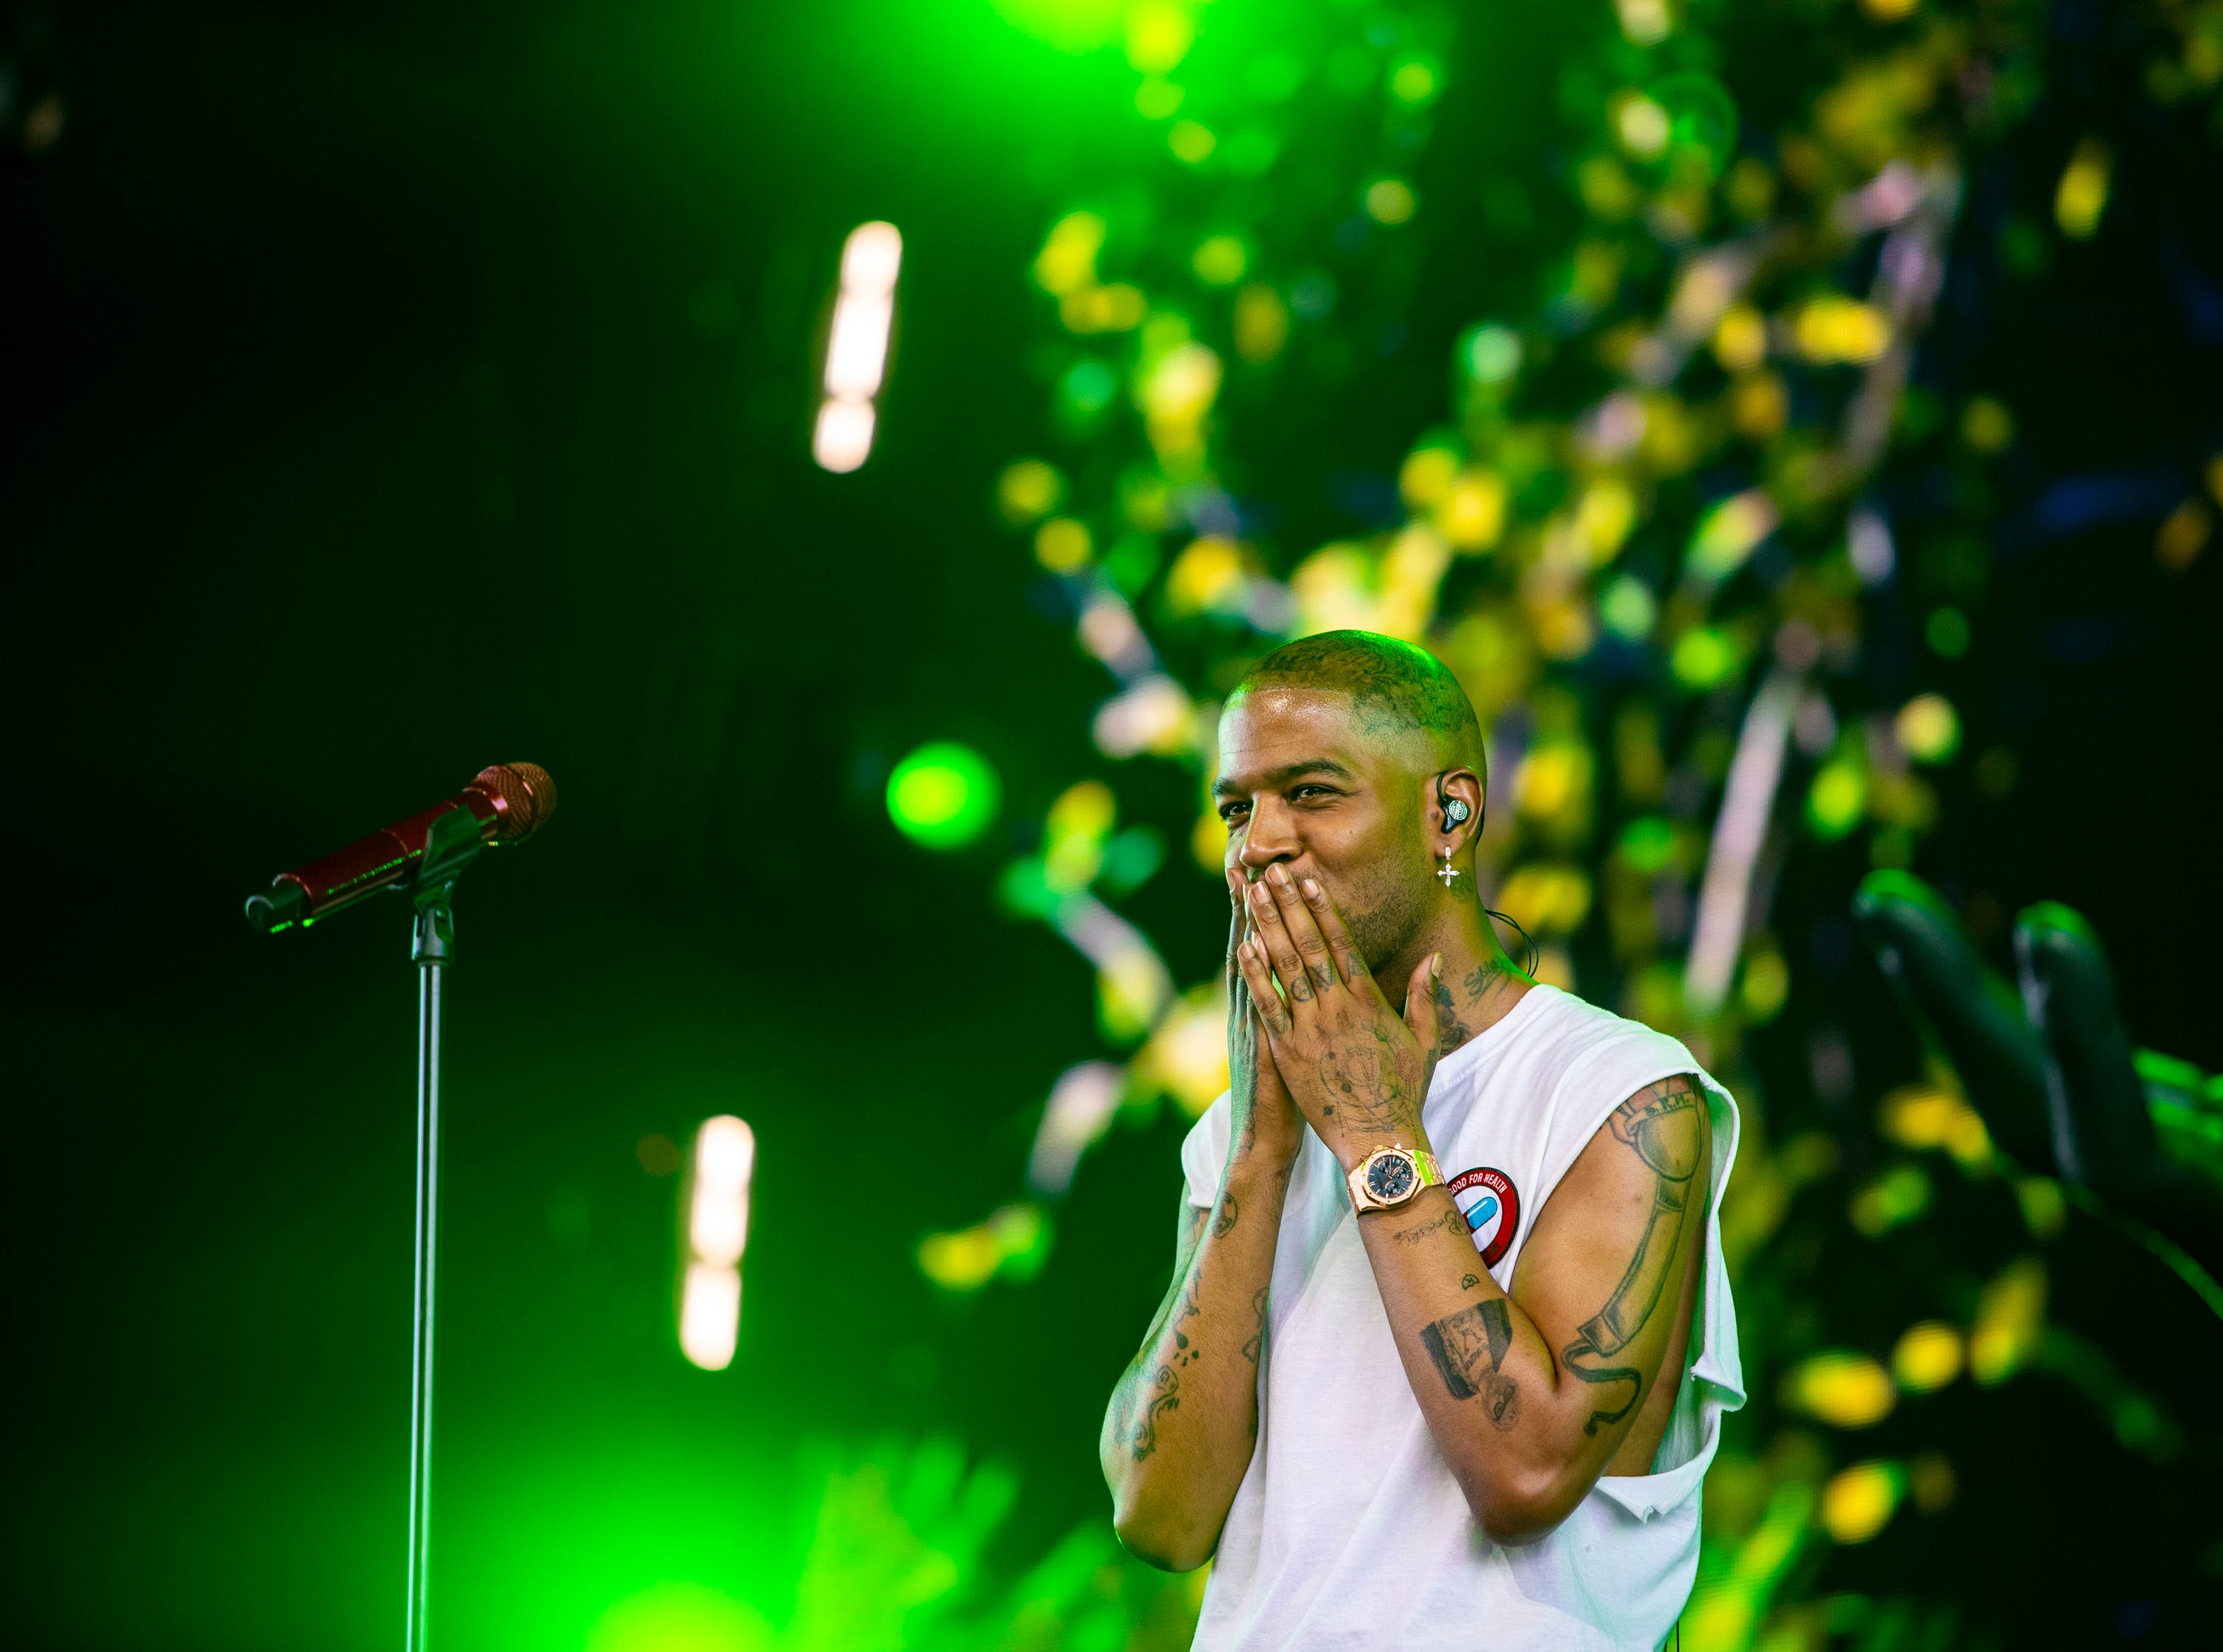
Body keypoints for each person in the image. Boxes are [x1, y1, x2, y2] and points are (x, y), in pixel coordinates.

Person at [1098, 630, 1743, 1651]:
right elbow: (1161, 1517)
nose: (1257, 842)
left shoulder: (1619, 1089)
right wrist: (1261, 1153)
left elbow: (1526, 1474)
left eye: (1310, 792)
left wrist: (1372, 1130)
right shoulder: (1236, 1129)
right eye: (1236, 806)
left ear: (1449, 810)